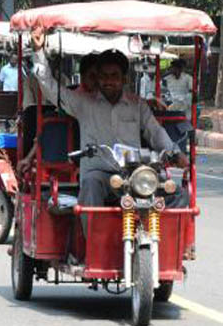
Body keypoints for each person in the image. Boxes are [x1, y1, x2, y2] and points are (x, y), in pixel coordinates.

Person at [30, 30, 189, 238]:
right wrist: (38, 51)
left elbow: (155, 132)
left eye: (114, 76)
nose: (108, 81)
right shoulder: (83, 103)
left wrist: (175, 152)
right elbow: (50, 87)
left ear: (124, 78)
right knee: (91, 185)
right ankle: (92, 245)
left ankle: (168, 246)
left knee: (178, 194)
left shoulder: (137, 105)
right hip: (100, 174)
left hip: (133, 174)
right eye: (104, 76)